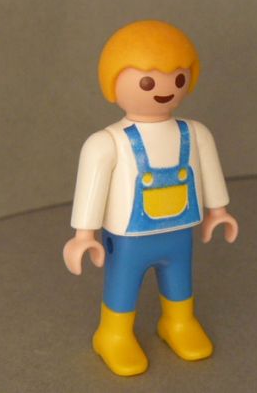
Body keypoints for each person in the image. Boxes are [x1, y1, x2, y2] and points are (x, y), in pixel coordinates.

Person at [63, 19, 239, 376]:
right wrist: (83, 235)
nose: (166, 90)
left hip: (178, 231)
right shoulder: (107, 142)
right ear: (112, 83)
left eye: (178, 79)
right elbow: (90, 188)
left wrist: (219, 211)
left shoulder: (195, 133)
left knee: (180, 279)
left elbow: (210, 172)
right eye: (148, 82)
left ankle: (178, 322)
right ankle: (113, 333)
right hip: (129, 237)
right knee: (123, 284)